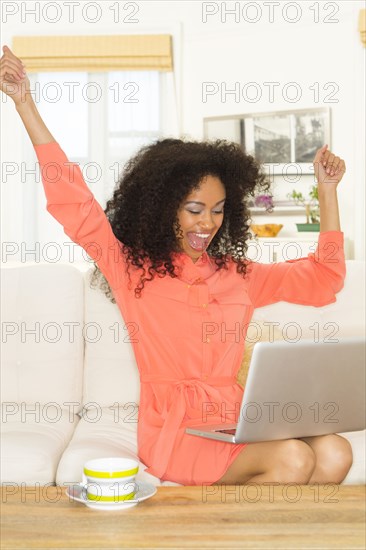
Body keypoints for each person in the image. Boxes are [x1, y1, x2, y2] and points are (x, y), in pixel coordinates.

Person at [0, 45, 353, 486]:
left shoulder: (239, 276)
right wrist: (24, 103)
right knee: (293, 460)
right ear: (167, 208)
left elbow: (325, 278)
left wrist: (327, 190)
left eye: (219, 209)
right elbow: (75, 205)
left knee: (336, 451)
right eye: (194, 208)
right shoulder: (133, 271)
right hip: (177, 432)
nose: (209, 222)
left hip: (238, 421)